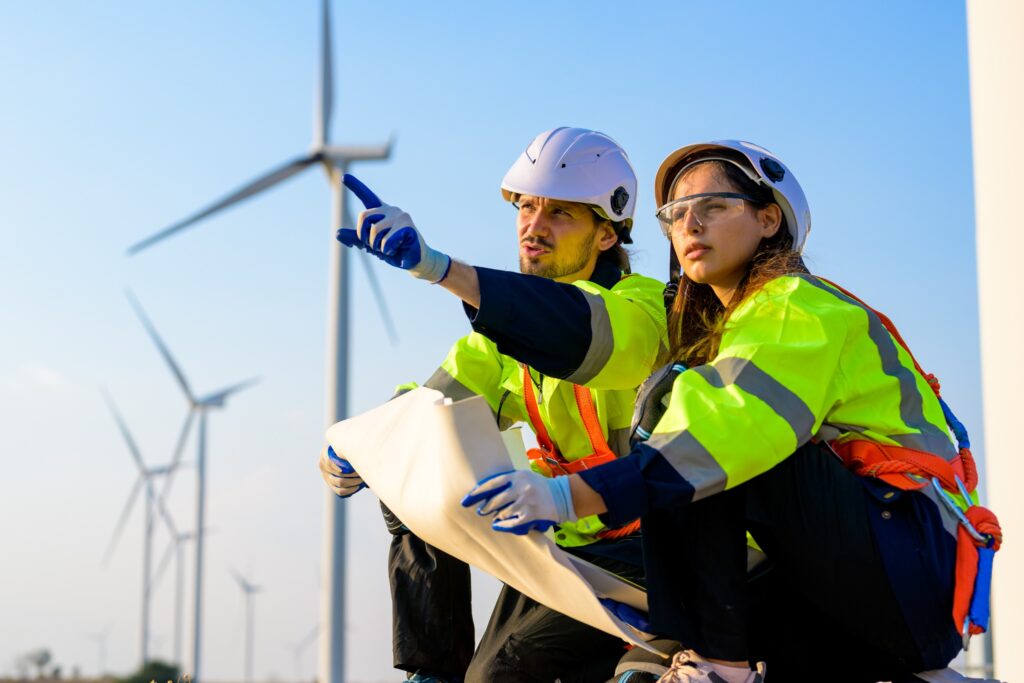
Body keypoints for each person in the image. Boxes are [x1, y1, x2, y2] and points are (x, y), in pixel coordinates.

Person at [464, 140, 1002, 683]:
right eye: (675, 214)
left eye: (714, 207)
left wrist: (567, 496)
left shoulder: (798, 306)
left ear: (769, 220)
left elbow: (722, 436)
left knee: (701, 429)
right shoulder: (723, 333)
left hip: (911, 576)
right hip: (833, 592)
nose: (690, 224)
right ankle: (706, 655)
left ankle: (721, 667)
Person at [318, 127, 668, 682]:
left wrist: (439, 269)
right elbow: (426, 414)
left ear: (607, 235)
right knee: (416, 462)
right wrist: (359, 445)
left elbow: (580, 332)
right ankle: (430, 672)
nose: (534, 226)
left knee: (500, 675)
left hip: (660, 555)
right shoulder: (497, 341)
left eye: (560, 214)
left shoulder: (648, 308)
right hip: (570, 546)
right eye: (526, 207)